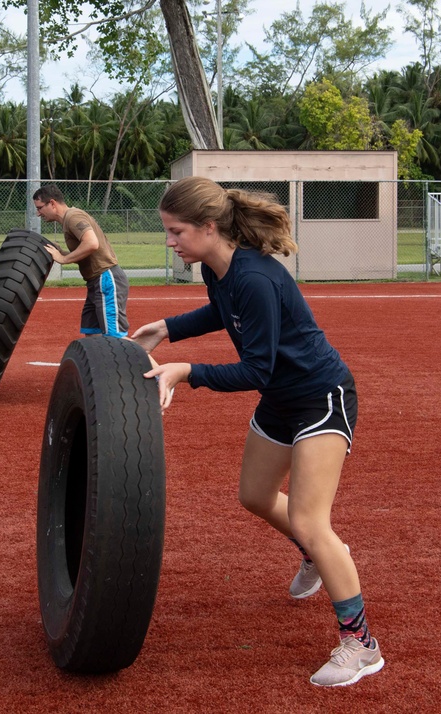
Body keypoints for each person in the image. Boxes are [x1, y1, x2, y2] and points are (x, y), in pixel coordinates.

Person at [131, 176, 383, 688]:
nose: (170, 241)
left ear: (208, 227)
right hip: (283, 399)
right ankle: (319, 552)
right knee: (255, 495)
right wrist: (169, 327)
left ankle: (361, 645)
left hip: (319, 395)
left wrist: (186, 371)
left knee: (312, 520)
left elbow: (257, 370)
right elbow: (225, 313)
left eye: (176, 231)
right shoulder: (218, 272)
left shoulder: (254, 276)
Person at [33, 184, 130, 338]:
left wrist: (64, 258)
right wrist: (60, 252)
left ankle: (145, 361)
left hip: (106, 279)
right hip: (95, 282)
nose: (38, 213)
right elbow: (84, 251)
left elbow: (91, 243)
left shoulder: (73, 217)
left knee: (115, 337)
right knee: (92, 335)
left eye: (39, 208)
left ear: (52, 203)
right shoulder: (67, 221)